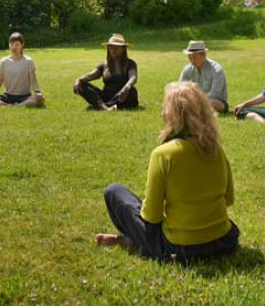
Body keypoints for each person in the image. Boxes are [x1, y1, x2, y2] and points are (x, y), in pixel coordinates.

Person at [96, 81, 240, 262]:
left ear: (169, 115)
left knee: (114, 192)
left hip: (181, 249)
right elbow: (228, 199)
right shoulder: (216, 150)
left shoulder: (163, 154)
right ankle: (133, 241)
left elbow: (152, 216)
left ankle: (135, 241)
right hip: (224, 243)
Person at [73, 34, 139, 111]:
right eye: (111, 47)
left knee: (132, 90)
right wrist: (78, 80)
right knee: (82, 85)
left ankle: (100, 106)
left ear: (123, 49)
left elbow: (133, 77)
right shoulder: (104, 65)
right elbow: (90, 76)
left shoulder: (130, 63)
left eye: (117, 47)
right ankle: (105, 107)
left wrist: (126, 87)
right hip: (106, 96)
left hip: (123, 97)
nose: (114, 50)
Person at [0, 32, 45, 108]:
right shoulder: (3, 62)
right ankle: (9, 105)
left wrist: (37, 92)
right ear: (9, 45)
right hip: (8, 96)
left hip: (24, 96)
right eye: (12, 44)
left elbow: (33, 80)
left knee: (40, 99)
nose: (14, 47)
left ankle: (15, 106)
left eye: (17, 44)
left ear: (22, 45)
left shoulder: (28, 61)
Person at [178, 40, 228, 113]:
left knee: (212, 103)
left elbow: (215, 93)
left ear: (204, 55)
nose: (192, 60)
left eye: (194, 57)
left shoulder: (216, 69)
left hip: (215, 101)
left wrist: (196, 101)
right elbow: (180, 88)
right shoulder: (187, 69)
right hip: (194, 101)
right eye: (189, 58)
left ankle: (193, 110)